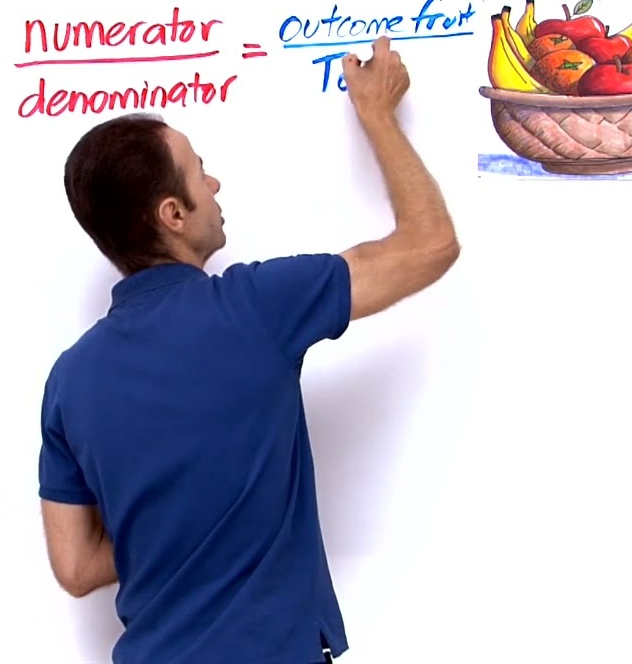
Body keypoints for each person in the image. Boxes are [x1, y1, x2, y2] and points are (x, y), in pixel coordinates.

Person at [36, 36, 459, 664]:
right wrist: (377, 113)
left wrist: (175, 531)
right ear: (173, 213)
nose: (214, 182)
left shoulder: (69, 380)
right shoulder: (256, 306)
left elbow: (74, 566)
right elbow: (430, 244)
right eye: (198, 170)